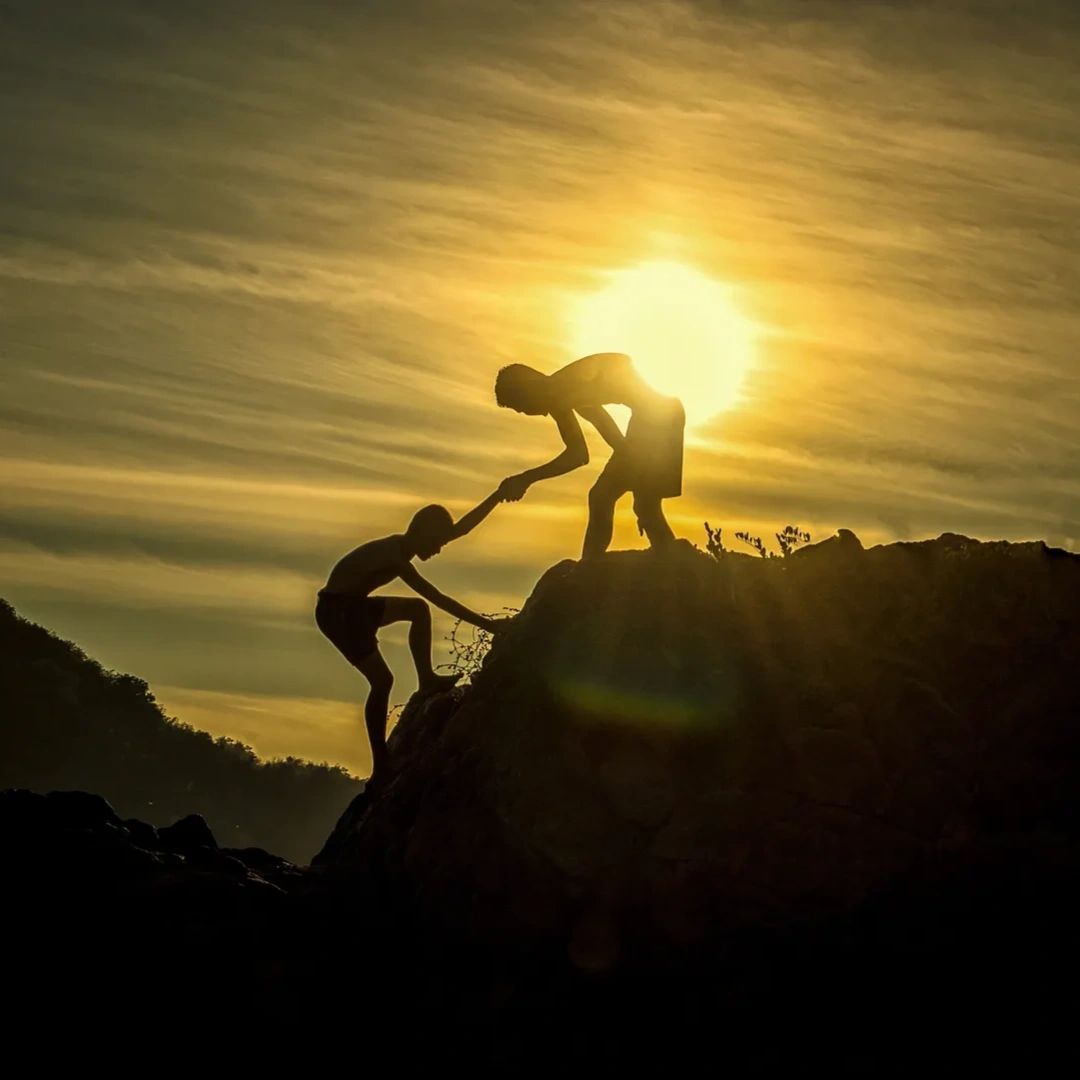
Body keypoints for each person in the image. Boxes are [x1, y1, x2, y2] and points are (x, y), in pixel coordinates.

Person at [315, 492, 503, 783]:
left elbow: (461, 529)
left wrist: (498, 496)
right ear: (423, 533)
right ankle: (381, 764)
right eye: (437, 543)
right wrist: (488, 625)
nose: (439, 550)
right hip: (338, 612)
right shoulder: (394, 556)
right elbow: (439, 598)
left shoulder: (406, 547)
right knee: (382, 681)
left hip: (353, 606)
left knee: (417, 610)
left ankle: (426, 679)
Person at [494, 352, 685, 558]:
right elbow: (600, 436)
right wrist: (631, 465)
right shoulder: (561, 392)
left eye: (522, 407)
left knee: (617, 499)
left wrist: (526, 478)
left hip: (659, 419)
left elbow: (578, 455)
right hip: (655, 418)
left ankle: (592, 565)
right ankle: (597, 563)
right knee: (631, 503)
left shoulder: (561, 390)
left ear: (529, 389)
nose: (527, 413)